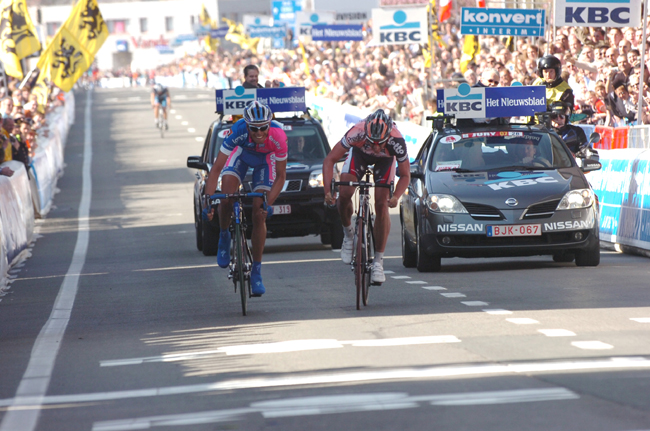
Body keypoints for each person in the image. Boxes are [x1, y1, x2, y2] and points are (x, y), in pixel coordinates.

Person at [203, 101, 287, 296]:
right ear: (246, 125)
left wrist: (269, 202)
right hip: (241, 155)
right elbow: (216, 169)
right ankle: (224, 236)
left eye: (263, 127)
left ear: (269, 124)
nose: (258, 132)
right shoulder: (238, 130)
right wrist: (208, 201)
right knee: (226, 197)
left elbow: (281, 176)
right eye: (254, 128)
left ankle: (256, 271)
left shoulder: (278, 137)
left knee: (259, 213)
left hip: (266, 162)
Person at [322, 109, 411, 284]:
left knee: (381, 203)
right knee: (345, 192)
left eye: (380, 143)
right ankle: (348, 234)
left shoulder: (397, 139)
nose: (377, 147)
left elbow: (406, 175)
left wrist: (396, 196)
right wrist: (328, 190)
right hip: (359, 155)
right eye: (372, 142)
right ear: (366, 135)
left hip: (386, 161)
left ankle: (378, 261)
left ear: (388, 137)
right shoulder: (357, 131)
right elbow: (330, 160)